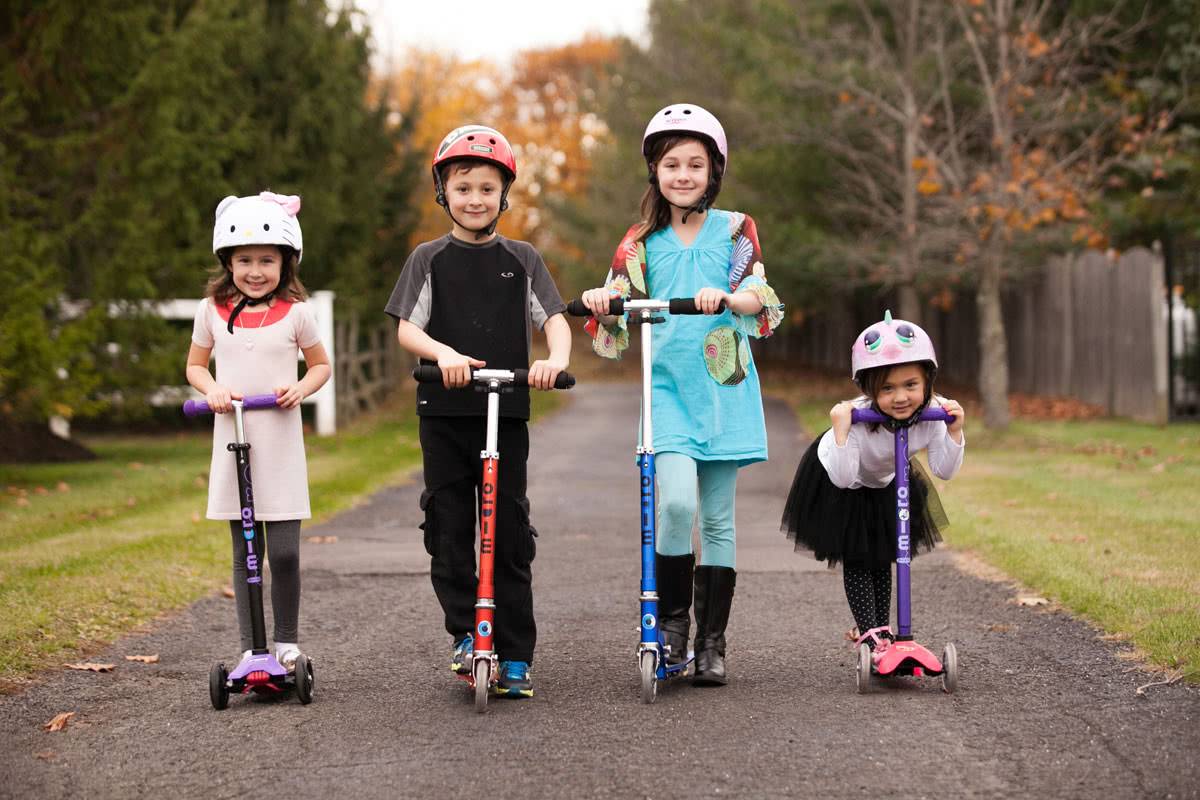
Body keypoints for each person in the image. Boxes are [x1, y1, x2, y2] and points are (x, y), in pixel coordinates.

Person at [580, 104, 784, 686]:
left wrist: (727, 296)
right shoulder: (642, 240)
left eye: (696, 164)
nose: (684, 174)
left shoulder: (736, 228)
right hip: (666, 389)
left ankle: (712, 641)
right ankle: (671, 628)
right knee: (674, 504)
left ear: (713, 172)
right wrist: (602, 298)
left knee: (717, 517)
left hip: (724, 387)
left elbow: (759, 294)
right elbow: (618, 299)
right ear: (655, 170)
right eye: (673, 164)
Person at [385, 125, 571, 698]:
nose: (475, 198)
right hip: (444, 410)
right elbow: (407, 329)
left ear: (503, 195)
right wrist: (443, 354)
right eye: (463, 187)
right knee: (449, 528)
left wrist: (552, 361)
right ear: (444, 191)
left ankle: (515, 652)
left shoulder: (523, 258)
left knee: (508, 530)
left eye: (487, 188)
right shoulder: (429, 259)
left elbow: (555, 321)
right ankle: (467, 633)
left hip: (505, 409)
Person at [186, 191, 331, 669]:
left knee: (284, 553)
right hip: (234, 440)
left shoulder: (297, 313)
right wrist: (213, 390)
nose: (254, 270)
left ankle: (286, 641)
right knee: (246, 552)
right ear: (227, 261)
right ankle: (252, 648)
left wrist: (300, 388)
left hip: (280, 442)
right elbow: (195, 366)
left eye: (266, 260)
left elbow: (321, 366)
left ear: (285, 262)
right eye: (244, 260)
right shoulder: (211, 310)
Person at [780, 311, 965, 657]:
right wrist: (842, 427)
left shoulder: (934, 414)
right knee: (859, 555)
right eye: (887, 388)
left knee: (885, 554)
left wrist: (954, 430)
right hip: (840, 473)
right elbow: (844, 477)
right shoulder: (858, 420)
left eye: (911, 385)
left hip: (886, 480)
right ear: (868, 389)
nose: (900, 398)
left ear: (927, 380)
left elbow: (943, 469)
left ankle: (885, 634)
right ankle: (870, 633)